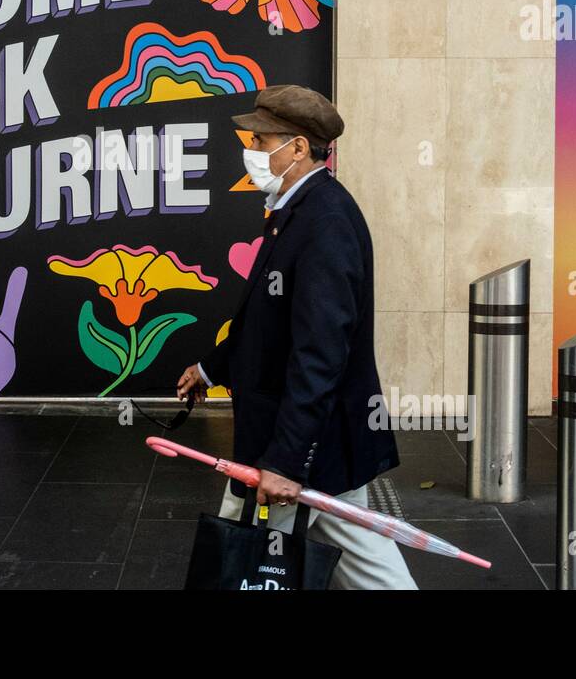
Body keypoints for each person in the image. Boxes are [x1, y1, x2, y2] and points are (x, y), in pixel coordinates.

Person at [176, 84, 417, 590]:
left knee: (248, 560)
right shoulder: (295, 210)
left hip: (302, 444)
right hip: (301, 439)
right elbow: (266, 321)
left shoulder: (325, 221)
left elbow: (320, 353)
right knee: (362, 563)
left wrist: (285, 462)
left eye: (262, 141)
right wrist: (211, 369)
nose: (252, 151)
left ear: (299, 148)